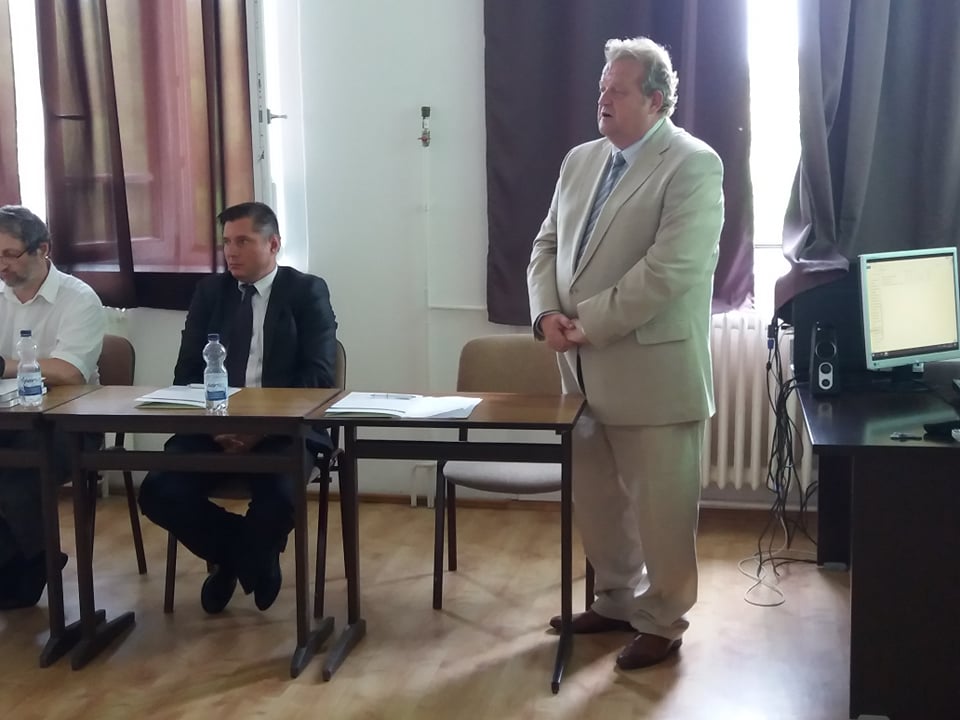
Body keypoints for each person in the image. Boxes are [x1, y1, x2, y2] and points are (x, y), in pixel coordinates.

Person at [527, 37, 724, 669]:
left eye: (617, 90)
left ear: (656, 100)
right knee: (599, 502)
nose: (603, 99)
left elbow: (671, 269)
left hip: (653, 373)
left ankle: (663, 621)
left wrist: (589, 323)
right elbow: (546, 245)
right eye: (601, 87)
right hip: (579, 372)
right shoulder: (580, 160)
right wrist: (545, 315)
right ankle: (613, 601)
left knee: (662, 511)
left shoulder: (692, 164)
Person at [138, 201, 337, 614]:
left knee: (281, 497)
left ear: (273, 244)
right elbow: (186, 373)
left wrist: (260, 429)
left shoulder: (305, 291)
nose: (231, 252)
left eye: (243, 241)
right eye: (226, 242)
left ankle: (233, 559)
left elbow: (318, 377)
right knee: (158, 491)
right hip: (213, 427)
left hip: (285, 430)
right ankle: (248, 556)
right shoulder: (210, 293)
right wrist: (215, 428)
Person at [0, 205, 106, 609]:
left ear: (42, 249)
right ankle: (30, 557)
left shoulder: (78, 299)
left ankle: (33, 561)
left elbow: (69, 372)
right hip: (9, 419)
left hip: (71, 424)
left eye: (10, 254)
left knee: (16, 472)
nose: (2, 266)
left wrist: (4, 366)